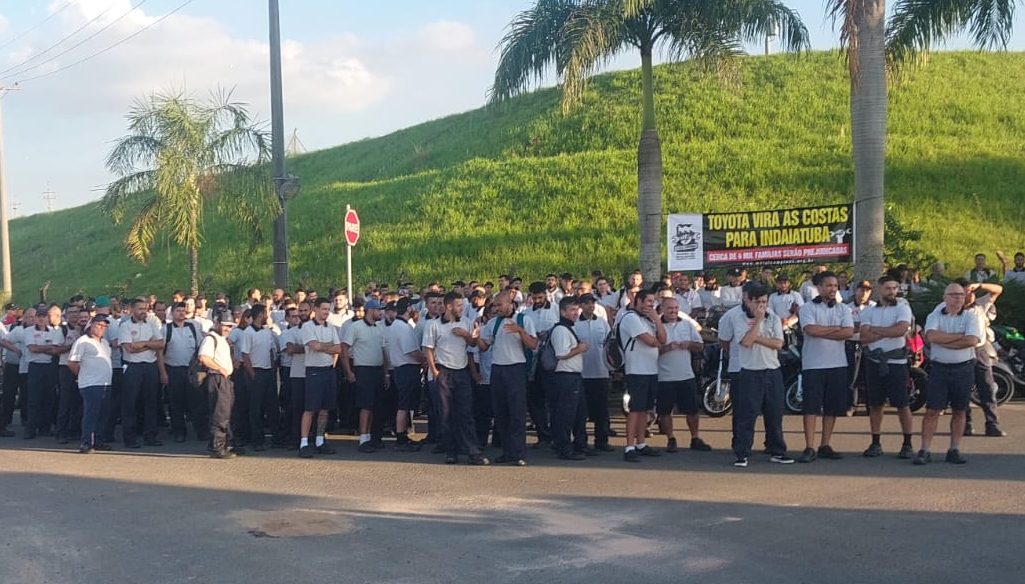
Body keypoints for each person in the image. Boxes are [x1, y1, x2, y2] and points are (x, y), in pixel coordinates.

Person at [916, 283, 983, 465]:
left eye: (961, 295)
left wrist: (945, 339)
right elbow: (931, 337)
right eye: (953, 295)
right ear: (945, 297)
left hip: (963, 368)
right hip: (940, 368)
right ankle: (925, 449)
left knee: (960, 410)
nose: (958, 298)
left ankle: (954, 448)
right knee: (932, 410)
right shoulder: (934, 316)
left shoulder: (971, 317)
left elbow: (972, 340)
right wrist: (959, 337)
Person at [728, 283, 794, 467]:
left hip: (772, 370)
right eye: (757, 302)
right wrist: (757, 321)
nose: (761, 307)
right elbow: (746, 342)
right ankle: (742, 453)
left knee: (774, 414)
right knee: (746, 415)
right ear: (747, 299)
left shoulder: (772, 316)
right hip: (749, 371)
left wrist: (758, 337)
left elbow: (778, 343)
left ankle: (777, 450)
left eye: (764, 302)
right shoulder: (738, 317)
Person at [422, 291, 489, 465]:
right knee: (445, 413)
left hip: (462, 371)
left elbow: (473, 344)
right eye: (459, 306)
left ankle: (472, 450)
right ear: (449, 306)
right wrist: (434, 371)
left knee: (466, 413)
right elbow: (428, 349)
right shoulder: (433, 325)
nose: (462, 308)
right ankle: (450, 450)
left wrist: (467, 335)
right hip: (443, 371)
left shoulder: (466, 322)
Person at [797, 272, 854, 463]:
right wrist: (835, 330)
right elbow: (811, 330)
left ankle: (825, 444)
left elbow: (848, 332)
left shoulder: (843, 309)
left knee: (832, 408)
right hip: (813, 364)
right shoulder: (807, 308)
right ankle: (809, 446)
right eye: (828, 285)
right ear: (819, 287)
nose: (832, 289)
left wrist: (825, 331)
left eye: (835, 286)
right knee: (811, 407)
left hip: (837, 364)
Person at [858, 276, 916, 459]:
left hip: (896, 364)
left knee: (902, 404)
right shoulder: (868, 311)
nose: (892, 291)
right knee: (875, 404)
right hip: (874, 362)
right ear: (880, 289)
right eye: (888, 288)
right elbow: (863, 337)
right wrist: (886, 331)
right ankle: (875, 442)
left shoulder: (903, 307)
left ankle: (907, 443)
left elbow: (900, 330)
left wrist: (876, 330)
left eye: (894, 288)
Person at [477, 289, 537, 466]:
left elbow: (533, 344)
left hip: (516, 369)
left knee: (517, 412)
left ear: (510, 303)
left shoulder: (523, 319)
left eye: (499, 305)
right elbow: (484, 346)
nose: (496, 308)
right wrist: (474, 337)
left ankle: (519, 452)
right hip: (498, 369)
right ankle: (507, 450)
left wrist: (520, 331)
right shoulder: (493, 323)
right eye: (494, 305)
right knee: (501, 412)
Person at [655, 297, 711, 453]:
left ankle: (695, 438)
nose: (673, 311)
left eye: (675, 308)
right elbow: (651, 350)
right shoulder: (656, 326)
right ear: (662, 309)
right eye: (669, 308)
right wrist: (666, 348)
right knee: (665, 411)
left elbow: (700, 346)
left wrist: (689, 344)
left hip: (686, 375)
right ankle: (670, 439)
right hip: (664, 376)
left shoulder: (687, 324)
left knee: (692, 410)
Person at [619, 289, 666, 462]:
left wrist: (656, 320)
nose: (651, 305)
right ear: (638, 301)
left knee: (645, 409)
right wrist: (658, 335)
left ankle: (641, 443)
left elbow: (663, 338)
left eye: (653, 302)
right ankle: (629, 446)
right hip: (636, 370)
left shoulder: (648, 320)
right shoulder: (630, 318)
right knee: (635, 409)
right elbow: (652, 341)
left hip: (651, 370)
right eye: (648, 301)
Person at [957, 280, 1006, 437]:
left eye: (971, 292)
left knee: (987, 387)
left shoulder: (980, 305)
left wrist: (980, 285)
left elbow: (998, 290)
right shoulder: (952, 310)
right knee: (963, 389)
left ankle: (992, 424)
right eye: (965, 293)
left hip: (980, 350)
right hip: (962, 351)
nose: (970, 295)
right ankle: (966, 424)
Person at [340, 298, 388, 453]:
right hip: (363, 369)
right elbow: (344, 349)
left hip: (377, 370)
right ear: (370, 310)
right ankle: (363, 439)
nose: (380, 313)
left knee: (378, 406)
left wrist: (386, 373)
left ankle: (375, 438)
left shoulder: (380, 328)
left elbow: (383, 351)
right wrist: (348, 371)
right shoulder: (356, 327)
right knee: (366, 405)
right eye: (378, 310)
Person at [118, 298, 165, 448]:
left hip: (150, 366)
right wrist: (151, 344)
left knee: (151, 403)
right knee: (130, 403)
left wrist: (144, 344)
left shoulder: (151, 323)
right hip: (133, 367)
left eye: (145, 308)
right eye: (140, 309)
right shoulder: (125, 326)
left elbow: (161, 344)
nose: (143, 311)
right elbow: (130, 348)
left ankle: (150, 436)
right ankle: (130, 438)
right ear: (132, 310)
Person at [299, 298, 342, 458]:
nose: (326, 312)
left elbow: (338, 349)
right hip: (314, 371)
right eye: (323, 309)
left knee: (325, 409)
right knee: (310, 409)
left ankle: (319, 440)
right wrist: (327, 346)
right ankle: (303, 442)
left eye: (328, 309)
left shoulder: (331, 327)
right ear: (315, 309)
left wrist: (324, 346)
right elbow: (314, 346)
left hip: (328, 370)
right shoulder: (307, 327)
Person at [158, 302, 205, 443]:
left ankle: (201, 431)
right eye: (178, 311)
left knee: (197, 402)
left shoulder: (193, 327)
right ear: (172, 313)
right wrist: (163, 373)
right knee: (176, 402)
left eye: (183, 311)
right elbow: (160, 353)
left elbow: (200, 347)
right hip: (174, 369)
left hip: (192, 369)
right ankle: (179, 431)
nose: (181, 313)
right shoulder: (165, 329)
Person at [549, 296, 588, 461]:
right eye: (572, 310)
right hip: (565, 376)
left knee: (579, 413)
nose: (575, 313)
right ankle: (563, 448)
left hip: (574, 375)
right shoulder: (560, 330)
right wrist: (579, 349)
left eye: (576, 309)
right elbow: (561, 354)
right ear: (563, 311)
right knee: (565, 414)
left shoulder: (569, 328)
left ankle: (580, 445)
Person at [67, 315, 114, 454]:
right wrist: (82, 375)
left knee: (103, 413)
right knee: (91, 413)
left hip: (105, 383)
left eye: (104, 326)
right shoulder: (83, 341)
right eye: (99, 324)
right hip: (90, 383)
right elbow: (72, 362)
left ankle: (98, 440)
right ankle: (86, 442)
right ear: (91, 325)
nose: (101, 328)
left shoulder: (104, 342)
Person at [574, 294, 613, 452]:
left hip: (601, 371)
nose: (590, 306)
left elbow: (610, 345)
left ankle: (601, 440)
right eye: (587, 303)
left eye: (592, 303)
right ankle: (581, 442)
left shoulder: (602, 323)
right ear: (581, 305)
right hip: (582, 373)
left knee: (602, 410)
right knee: (581, 411)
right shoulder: (575, 324)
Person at [385, 298, 424, 452]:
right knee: (404, 405)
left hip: (401, 368)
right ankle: (401, 438)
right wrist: (426, 360)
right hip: (407, 368)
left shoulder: (396, 325)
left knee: (404, 404)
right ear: (408, 308)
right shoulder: (403, 327)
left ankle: (403, 435)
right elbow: (412, 352)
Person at [199, 310, 238, 459]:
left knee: (226, 412)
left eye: (230, 326)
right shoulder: (211, 338)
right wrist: (219, 368)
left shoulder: (222, 339)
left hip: (224, 379)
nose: (228, 329)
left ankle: (223, 443)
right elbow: (204, 357)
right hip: (217, 378)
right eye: (225, 325)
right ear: (216, 324)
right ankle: (217, 446)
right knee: (220, 413)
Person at [240, 304, 279, 451]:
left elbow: (271, 351)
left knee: (272, 407)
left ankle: (276, 438)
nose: (267, 315)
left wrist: (273, 370)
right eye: (266, 313)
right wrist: (253, 375)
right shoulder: (248, 332)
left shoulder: (267, 331)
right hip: (256, 372)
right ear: (261, 314)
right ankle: (257, 439)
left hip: (268, 372)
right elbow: (245, 354)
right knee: (256, 409)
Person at [24, 305, 67, 438]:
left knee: (49, 398)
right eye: (39, 316)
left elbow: (56, 350)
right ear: (35, 318)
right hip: (35, 367)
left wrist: (44, 348)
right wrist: (48, 348)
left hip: (49, 366)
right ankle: (30, 429)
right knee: (34, 399)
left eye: (44, 317)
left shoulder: (55, 331)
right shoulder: (29, 331)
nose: (42, 319)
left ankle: (45, 428)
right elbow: (32, 349)